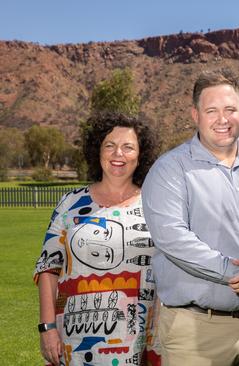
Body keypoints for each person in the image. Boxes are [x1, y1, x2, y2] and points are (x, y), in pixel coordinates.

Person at [141, 71, 239, 366]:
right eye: (211, 110)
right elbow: (173, 239)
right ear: (195, 115)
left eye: (229, 110)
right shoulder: (170, 169)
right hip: (196, 332)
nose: (222, 119)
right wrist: (238, 275)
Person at [34, 112, 160, 365]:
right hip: (74, 338)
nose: (118, 154)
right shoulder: (70, 203)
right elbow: (48, 267)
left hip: (140, 334)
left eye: (128, 147)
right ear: (98, 151)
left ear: (140, 154)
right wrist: (47, 327)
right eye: (110, 146)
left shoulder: (156, 203)